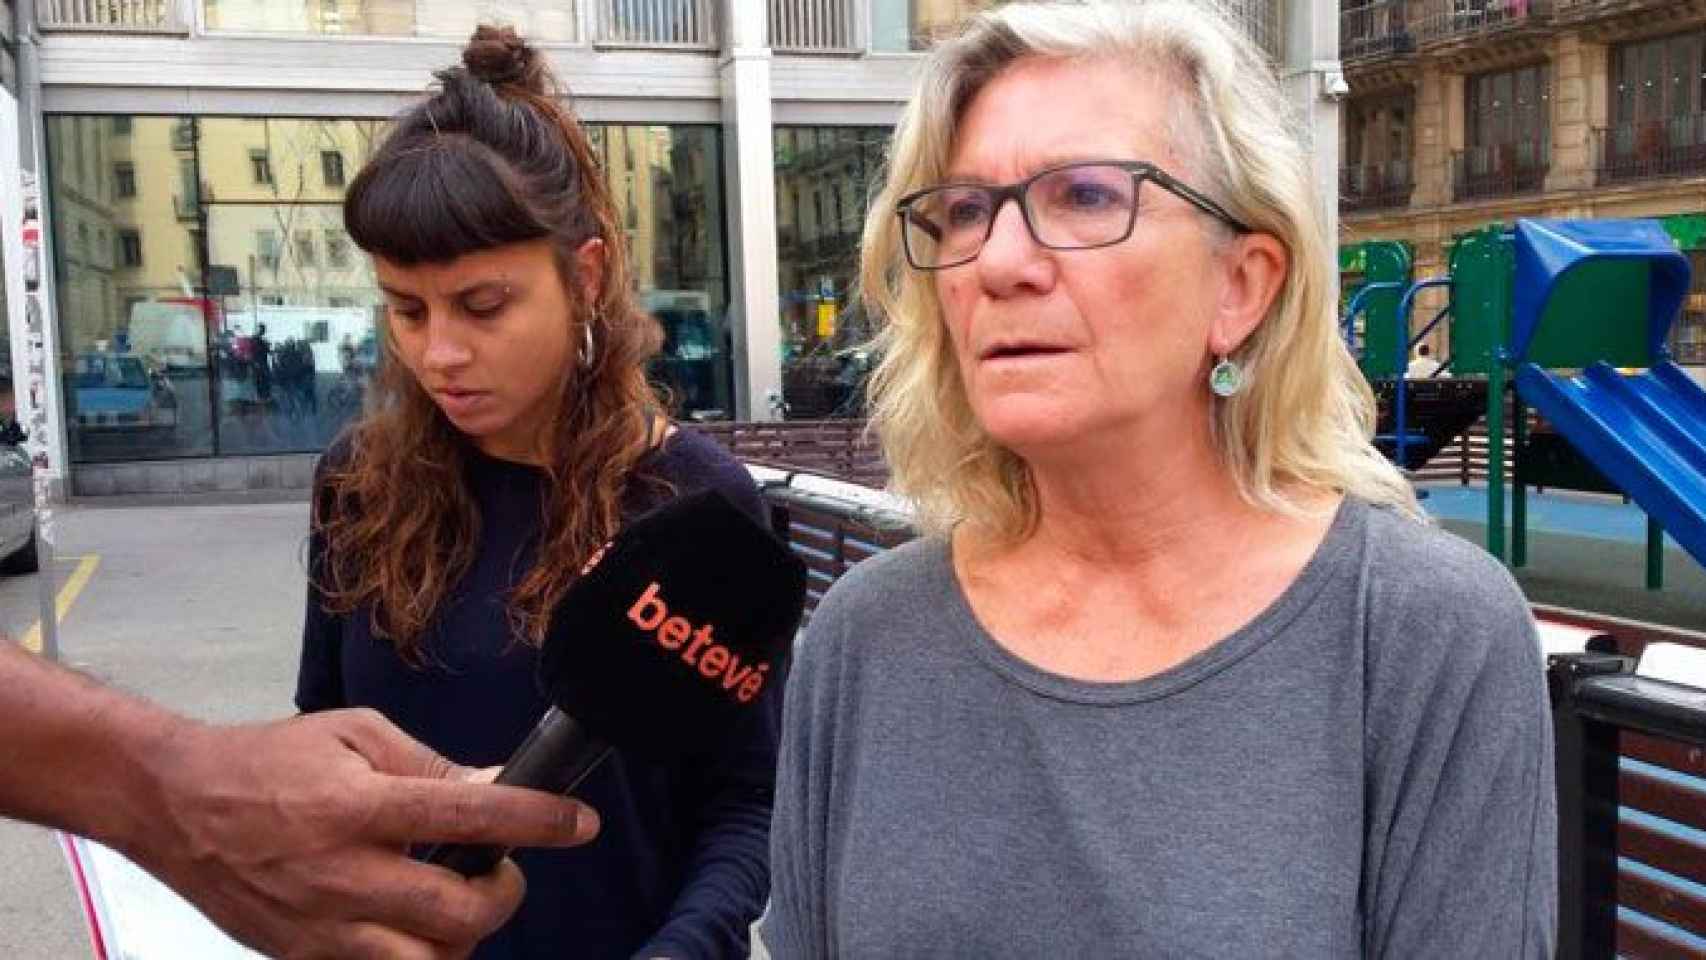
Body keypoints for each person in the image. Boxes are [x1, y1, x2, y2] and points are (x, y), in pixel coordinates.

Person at [763, 2, 1555, 957]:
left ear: (1243, 286)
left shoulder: (1419, 632)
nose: (1000, 262)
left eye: (1087, 196)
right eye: (965, 209)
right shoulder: (864, 637)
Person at [301, 25, 778, 959]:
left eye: (483, 306)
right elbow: (322, 734)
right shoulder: (354, 484)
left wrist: (682, 949)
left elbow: (746, 802)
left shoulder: (696, 505)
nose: (439, 352)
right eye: (406, 308)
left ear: (584, 276)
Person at [0, 639, 599, 959]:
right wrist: (181, 795)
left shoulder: (679, 497)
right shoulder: (357, 473)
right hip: (358, 915)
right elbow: (322, 705)